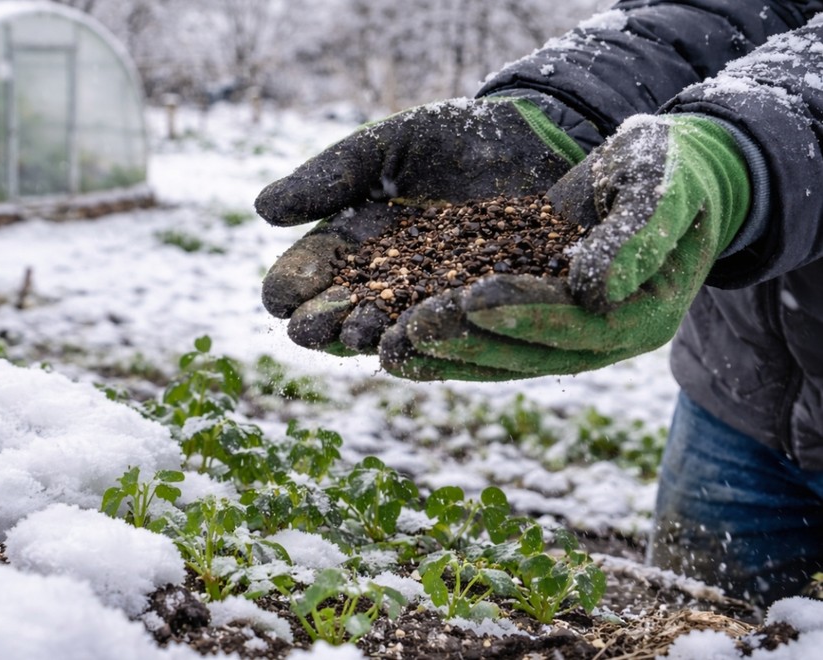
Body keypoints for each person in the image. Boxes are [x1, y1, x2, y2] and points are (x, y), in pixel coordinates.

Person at [255, 0, 823, 607]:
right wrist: (561, 113)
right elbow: (714, 14)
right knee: (699, 625)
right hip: (741, 390)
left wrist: (736, 159)